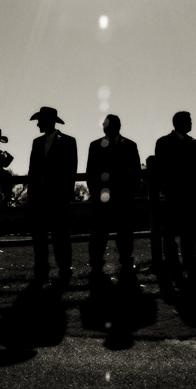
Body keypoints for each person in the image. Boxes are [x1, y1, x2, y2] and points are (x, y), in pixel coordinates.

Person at [86, 114, 141, 281]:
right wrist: (97, 194)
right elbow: (91, 173)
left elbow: (136, 172)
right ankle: (96, 265)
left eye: (110, 125)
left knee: (125, 232)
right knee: (98, 233)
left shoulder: (130, 145)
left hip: (124, 198)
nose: (107, 128)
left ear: (118, 126)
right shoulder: (95, 146)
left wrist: (131, 192)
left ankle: (125, 262)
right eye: (105, 125)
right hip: (102, 198)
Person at [28, 107, 77, 284]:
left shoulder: (69, 141)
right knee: (40, 238)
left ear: (49, 121)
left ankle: (64, 270)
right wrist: (31, 194)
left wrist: (66, 194)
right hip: (39, 198)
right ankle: (41, 272)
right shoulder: (36, 142)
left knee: (61, 237)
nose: (39, 124)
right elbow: (32, 171)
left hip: (58, 197)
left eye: (40, 120)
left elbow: (71, 169)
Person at [155, 111, 196, 272]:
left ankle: (190, 260)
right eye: (188, 121)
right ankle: (171, 261)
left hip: (191, 194)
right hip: (174, 194)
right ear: (178, 123)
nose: (191, 123)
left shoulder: (191, 142)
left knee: (189, 229)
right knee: (170, 230)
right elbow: (161, 169)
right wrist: (167, 189)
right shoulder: (163, 142)